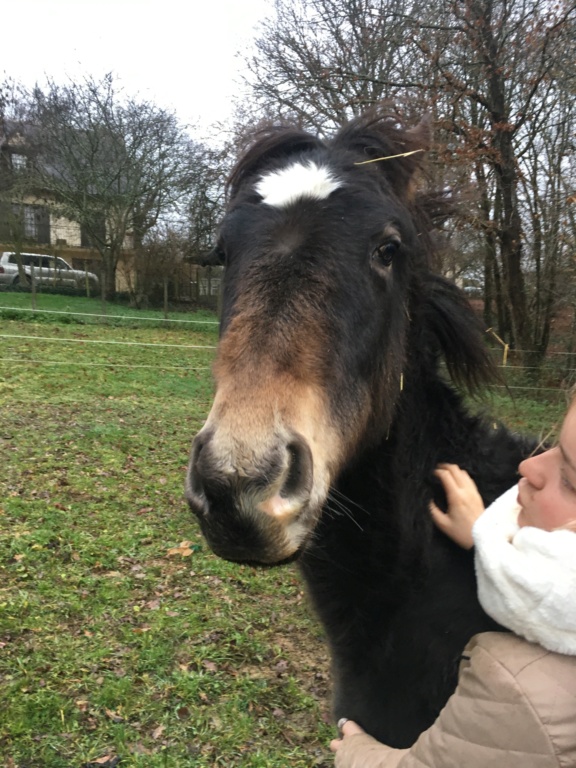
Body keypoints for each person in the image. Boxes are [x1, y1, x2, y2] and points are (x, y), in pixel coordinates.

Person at [330, 399, 576, 767]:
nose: (528, 465)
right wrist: (485, 539)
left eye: (570, 480)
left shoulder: (521, 684)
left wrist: (355, 752)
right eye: (553, 448)